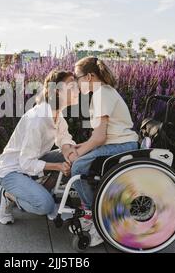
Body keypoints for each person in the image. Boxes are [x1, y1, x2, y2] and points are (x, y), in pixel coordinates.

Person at [69, 56, 139, 247]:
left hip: (122, 146)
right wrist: (81, 146)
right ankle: (93, 213)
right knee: (80, 156)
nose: (76, 81)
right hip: (118, 143)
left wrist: (79, 153)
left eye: (78, 77)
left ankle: (95, 218)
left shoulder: (101, 94)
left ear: (90, 76)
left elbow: (99, 138)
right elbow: (101, 135)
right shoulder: (103, 93)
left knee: (78, 166)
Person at [0, 70, 80, 224]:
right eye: (71, 86)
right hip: (12, 171)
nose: (77, 90)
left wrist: (72, 154)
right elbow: (26, 163)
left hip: (32, 161)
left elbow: (64, 139)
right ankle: (8, 195)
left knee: (76, 157)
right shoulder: (37, 119)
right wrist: (58, 166)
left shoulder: (57, 114)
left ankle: (40, 189)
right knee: (45, 205)